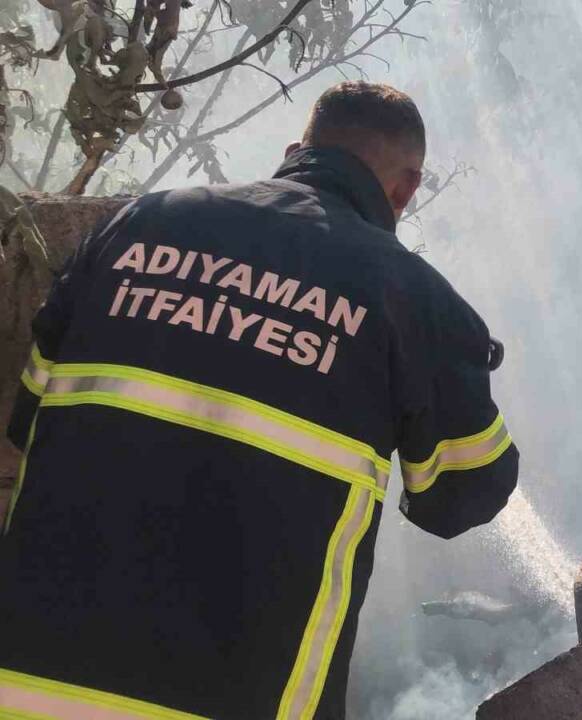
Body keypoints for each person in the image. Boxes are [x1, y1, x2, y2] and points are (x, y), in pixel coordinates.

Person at [0, 81, 519, 719]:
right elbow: (464, 492)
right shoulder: (409, 297)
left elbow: (29, 420)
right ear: (408, 187)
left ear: (296, 149)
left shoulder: (135, 227)